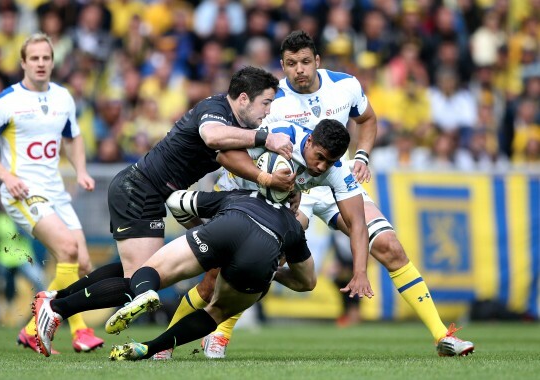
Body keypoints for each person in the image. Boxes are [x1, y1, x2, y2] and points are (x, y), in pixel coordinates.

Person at [168, 30, 475, 359]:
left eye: (303, 62)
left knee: (388, 245)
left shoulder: (346, 86)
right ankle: (210, 336)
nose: (298, 69)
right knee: (244, 265)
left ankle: (443, 335)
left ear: (317, 61)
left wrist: (362, 156)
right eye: (290, 63)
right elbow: (240, 143)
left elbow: (368, 119)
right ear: (282, 67)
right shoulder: (271, 99)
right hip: (285, 187)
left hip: (332, 179)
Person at [31, 119, 374, 358]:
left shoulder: (334, 171)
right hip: (237, 194)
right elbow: (224, 154)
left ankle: (62, 303)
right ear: (309, 141)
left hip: (246, 215)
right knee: (174, 280)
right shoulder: (280, 135)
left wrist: (360, 271)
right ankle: (66, 307)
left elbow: (357, 223)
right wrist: (264, 178)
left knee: (146, 273)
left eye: (328, 163)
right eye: (318, 158)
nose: (320, 167)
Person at [0, 33, 104, 354]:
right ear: (23, 63)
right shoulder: (7, 101)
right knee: (69, 250)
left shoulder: (63, 97)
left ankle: (37, 329)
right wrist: (5, 175)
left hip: (56, 189)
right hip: (23, 191)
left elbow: (73, 137)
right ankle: (75, 329)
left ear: (53, 61)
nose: (41, 63)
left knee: (82, 262)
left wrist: (81, 170)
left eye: (46, 58)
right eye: (34, 58)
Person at [107, 66, 293, 281]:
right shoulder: (215, 108)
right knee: (141, 280)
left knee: (140, 276)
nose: (268, 111)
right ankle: (63, 305)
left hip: (151, 193)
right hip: (138, 188)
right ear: (243, 98)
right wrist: (266, 138)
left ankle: (62, 300)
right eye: (266, 103)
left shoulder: (234, 125)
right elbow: (211, 136)